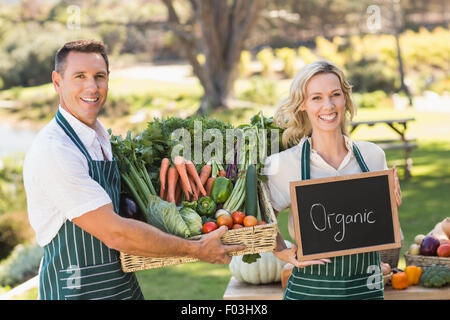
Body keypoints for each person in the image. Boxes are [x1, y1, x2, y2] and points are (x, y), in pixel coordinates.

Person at [23, 40, 244, 300]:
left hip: (120, 285)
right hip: (77, 291)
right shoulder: (56, 150)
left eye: (99, 77)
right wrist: (195, 248)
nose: (92, 87)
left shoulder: (100, 138)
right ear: (57, 81)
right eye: (79, 76)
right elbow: (115, 232)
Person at [264, 60, 402, 300]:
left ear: (345, 99)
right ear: (302, 105)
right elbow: (264, 219)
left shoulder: (372, 156)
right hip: (310, 291)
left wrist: (389, 209)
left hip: (366, 289)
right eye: (316, 97)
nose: (328, 105)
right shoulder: (285, 164)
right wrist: (282, 252)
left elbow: (384, 239)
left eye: (335, 95)